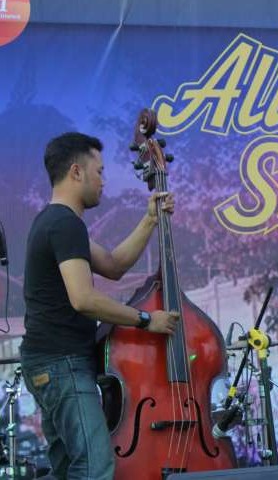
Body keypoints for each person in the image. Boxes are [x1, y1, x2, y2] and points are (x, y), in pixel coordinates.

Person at [20, 132, 181, 480]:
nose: (103, 181)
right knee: (94, 467)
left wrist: (150, 218)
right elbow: (84, 298)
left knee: (67, 469)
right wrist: (145, 319)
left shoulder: (58, 222)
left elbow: (112, 264)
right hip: (61, 363)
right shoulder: (63, 224)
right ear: (77, 172)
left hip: (51, 363)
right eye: (100, 171)